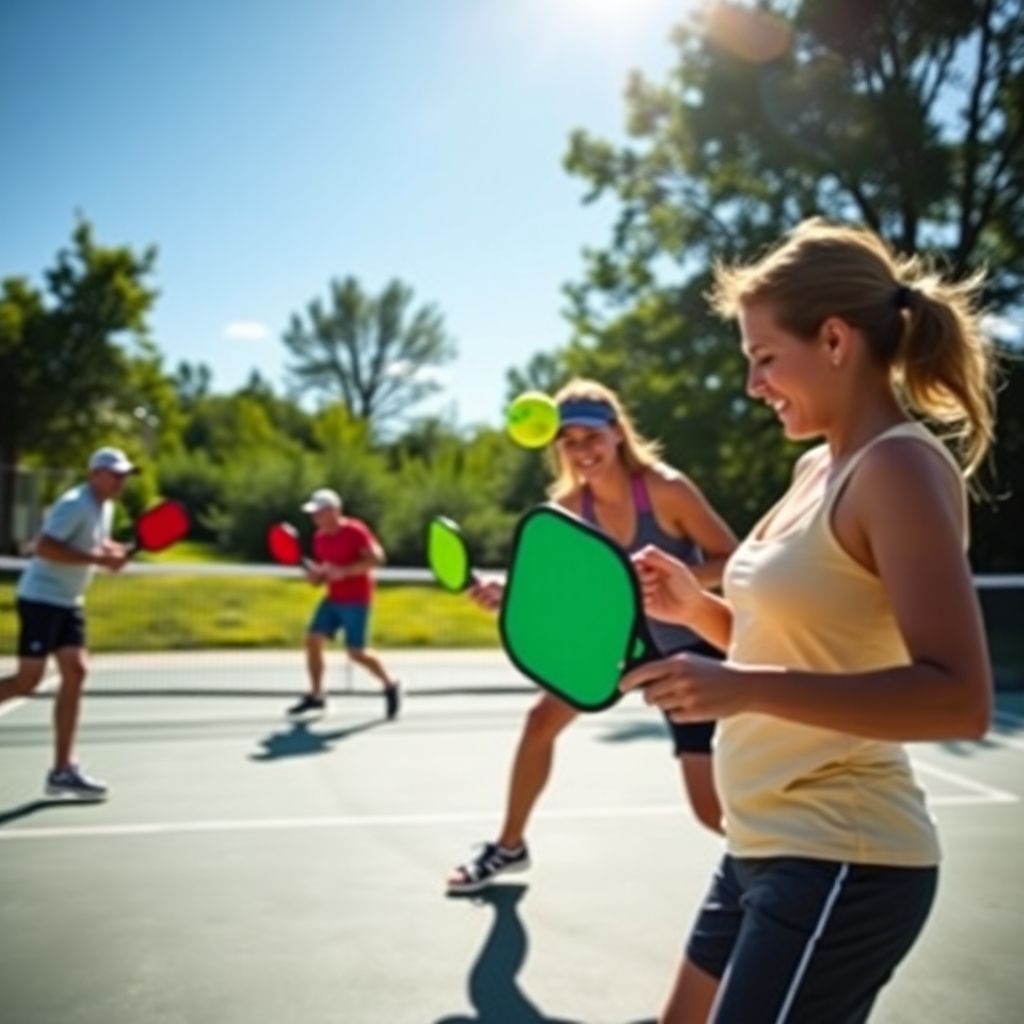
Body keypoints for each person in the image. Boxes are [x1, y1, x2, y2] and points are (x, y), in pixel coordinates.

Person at [620, 219, 996, 1023]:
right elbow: (801, 645)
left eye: (764, 359)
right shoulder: (814, 465)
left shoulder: (896, 466)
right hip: (761, 842)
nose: (754, 384)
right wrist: (698, 610)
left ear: (834, 340)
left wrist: (742, 688)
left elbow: (958, 697)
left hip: (844, 855)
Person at [447, 379, 738, 894]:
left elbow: (732, 560)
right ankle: (509, 847)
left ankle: (787, 857)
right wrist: (510, 591)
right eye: (569, 441)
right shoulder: (566, 508)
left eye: (591, 436)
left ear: (617, 433)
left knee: (709, 809)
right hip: (610, 646)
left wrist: (674, 580)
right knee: (540, 720)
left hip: (688, 646)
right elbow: (563, 585)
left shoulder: (666, 488)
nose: (582, 450)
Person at [0, 446, 138, 800]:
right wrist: (97, 558)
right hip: (41, 600)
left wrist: (111, 549)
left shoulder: (103, 506)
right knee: (28, 680)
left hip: (68, 602)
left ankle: (63, 770)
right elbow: (44, 546)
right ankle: (62, 769)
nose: (122, 481)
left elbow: (93, 541)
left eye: (125, 475)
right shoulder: (75, 502)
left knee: (75, 671)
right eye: (115, 474)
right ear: (95, 474)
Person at [286, 487, 401, 721]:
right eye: (313, 513)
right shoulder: (319, 539)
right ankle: (317, 695)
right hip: (333, 598)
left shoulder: (355, 530)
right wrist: (316, 577)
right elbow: (326, 572)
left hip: (357, 599)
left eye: (319, 512)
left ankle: (390, 685)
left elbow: (377, 558)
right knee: (312, 639)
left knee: (356, 652)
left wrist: (346, 572)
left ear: (334, 511)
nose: (315, 517)